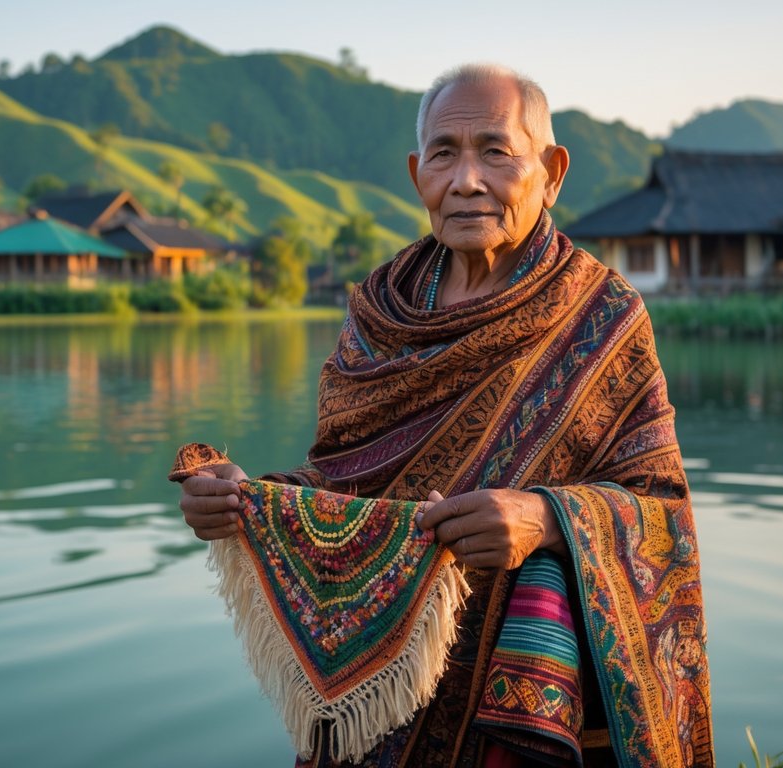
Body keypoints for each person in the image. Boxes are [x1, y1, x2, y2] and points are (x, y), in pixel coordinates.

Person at [178, 63, 713, 768]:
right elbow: (346, 481)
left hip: (521, 700)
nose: (466, 180)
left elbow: (661, 512)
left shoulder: (602, 316)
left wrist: (546, 519)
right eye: (443, 154)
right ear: (416, 173)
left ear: (550, 172)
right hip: (381, 695)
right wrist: (250, 500)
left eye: (495, 151)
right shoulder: (378, 311)